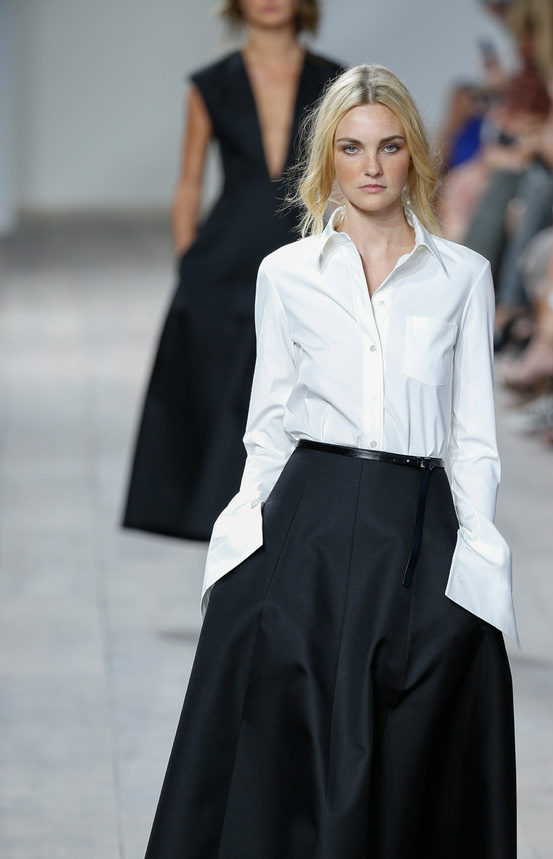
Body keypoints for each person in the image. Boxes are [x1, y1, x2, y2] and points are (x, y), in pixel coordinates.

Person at [129, 64, 519, 859]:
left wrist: (481, 562)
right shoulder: (286, 273)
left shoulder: (462, 275)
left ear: (413, 156)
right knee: (328, 791)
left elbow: (474, 432)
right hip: (307, 533)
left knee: (399, 780)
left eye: (388, 146)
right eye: (351, 148)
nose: (370, 166)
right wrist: (237, 550)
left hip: (420, 533)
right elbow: (267, 423)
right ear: (325, 162)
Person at [122, 0, 341, 541]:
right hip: (224, 257)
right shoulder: (211, 85)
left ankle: (293, 514)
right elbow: (189, 181)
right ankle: (214, 517)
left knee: (300, 385)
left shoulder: (335, 82)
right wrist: (188, 261)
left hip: (303, 246)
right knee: (217, 390)